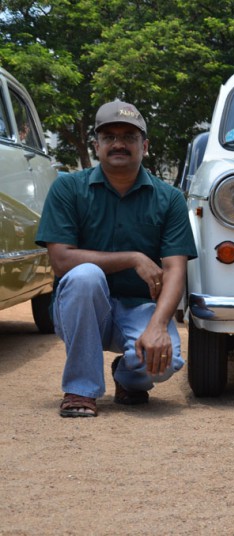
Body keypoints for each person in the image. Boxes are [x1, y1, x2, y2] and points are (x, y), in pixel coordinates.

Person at [35, 100, 198, 418]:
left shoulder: (169, 199)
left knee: (166, 362)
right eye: (109, 137)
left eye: (129, 136)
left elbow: (175, 269)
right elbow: (61, 261)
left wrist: (158, 326)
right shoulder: (68, 188)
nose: (119, 144)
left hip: (140, 307)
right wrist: (132, 258)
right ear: (96, 146)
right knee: (85, 276)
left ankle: (127, 375)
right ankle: (81, 389)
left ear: (144, 146)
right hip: (82, 309)